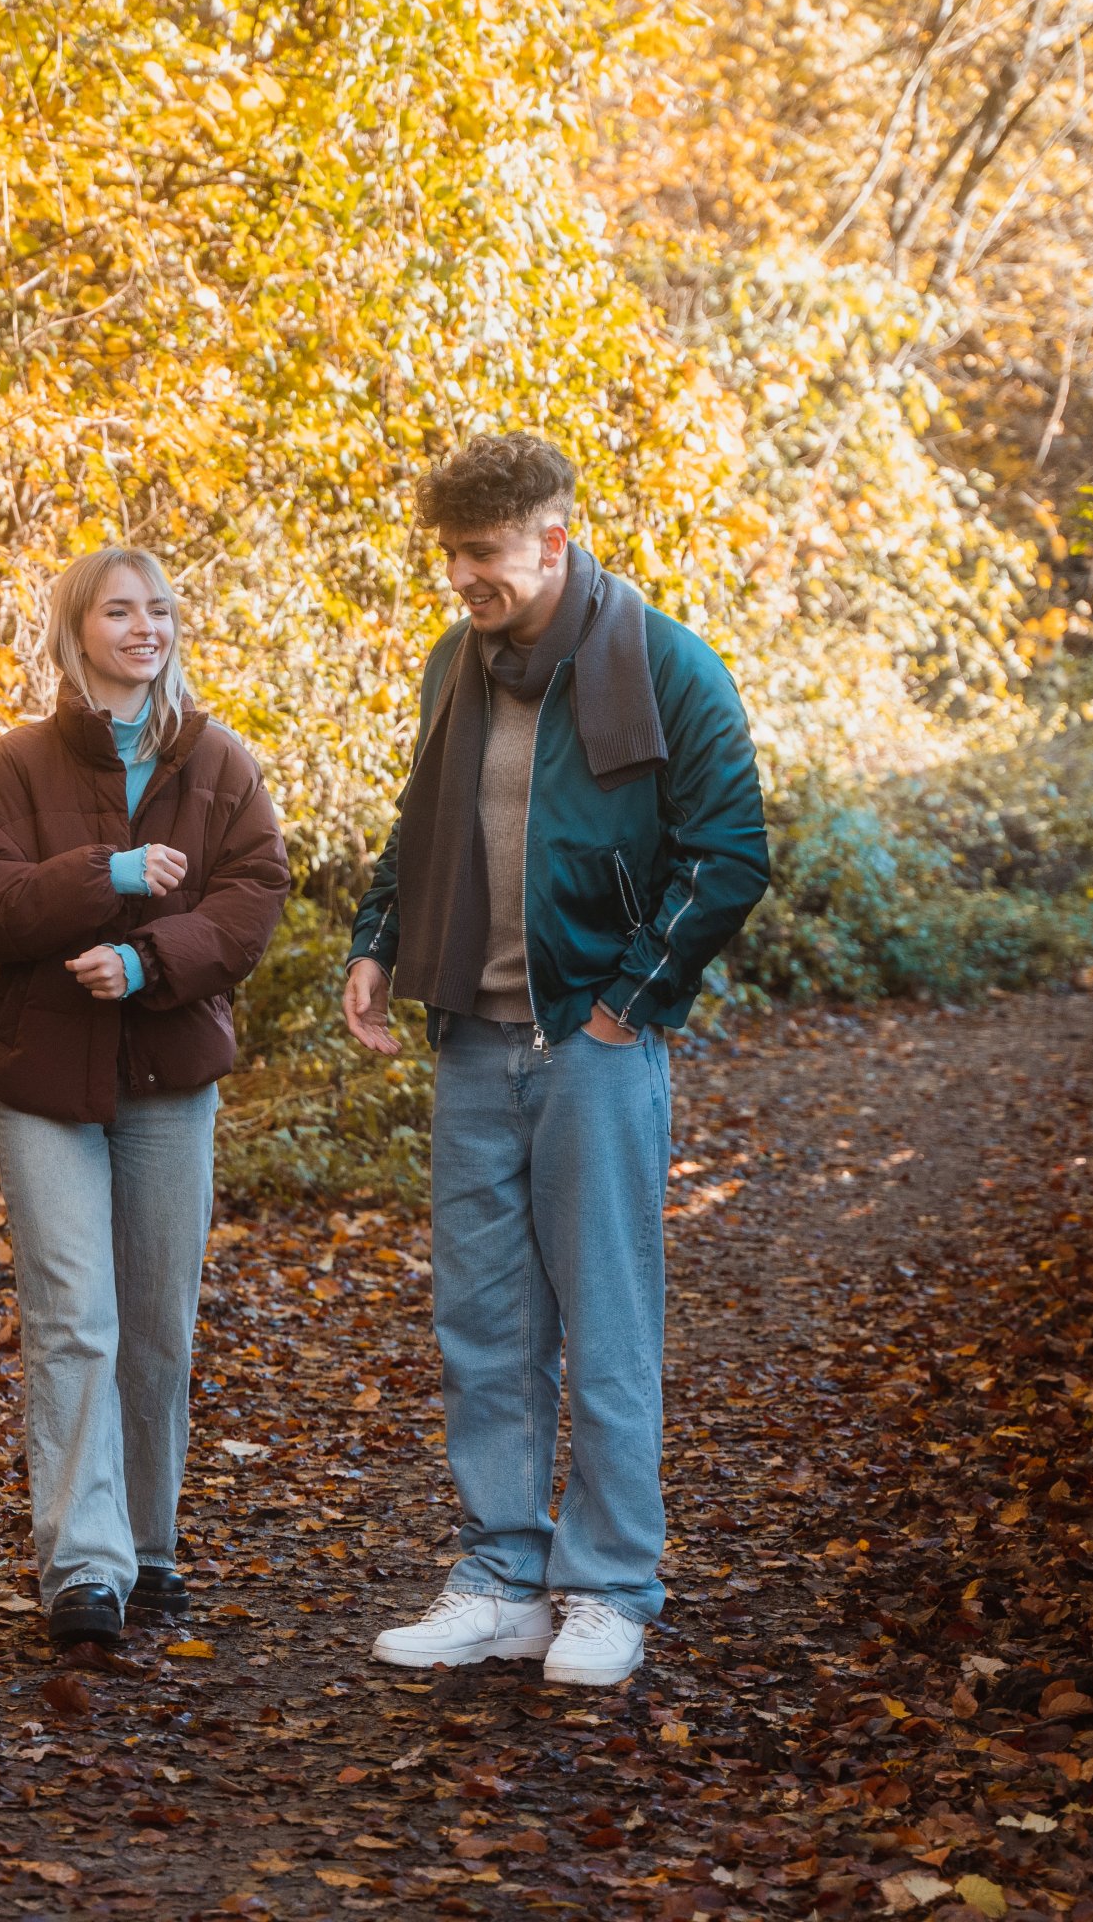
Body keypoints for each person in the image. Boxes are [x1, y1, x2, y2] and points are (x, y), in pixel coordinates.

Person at [345, 434, 768, 1686]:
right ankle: (500, 1576)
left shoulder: (670, 667)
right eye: (453, 554)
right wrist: (377, 940)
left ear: (553, 540)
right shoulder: (454, 668)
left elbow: (728, 853)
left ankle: (611, 1585)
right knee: (483, 1324)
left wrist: (626, 1005)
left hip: (593, 1043)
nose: (464, 577)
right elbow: (418, 828)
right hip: (473, 1042)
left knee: (609, 1320)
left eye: (484, 553)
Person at [0, 548, 290, 1648]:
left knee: (158, 1322)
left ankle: (149, 1546)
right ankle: (81, 1567)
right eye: (120, 609)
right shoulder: (10, 767)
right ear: (75, 626)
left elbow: (251, 899)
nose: (144, 627)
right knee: (72, 1315)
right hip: (45, 1075)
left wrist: (147, 961)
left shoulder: (220, 763)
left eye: (159, 610)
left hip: (169, 1068)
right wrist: (112, 873)